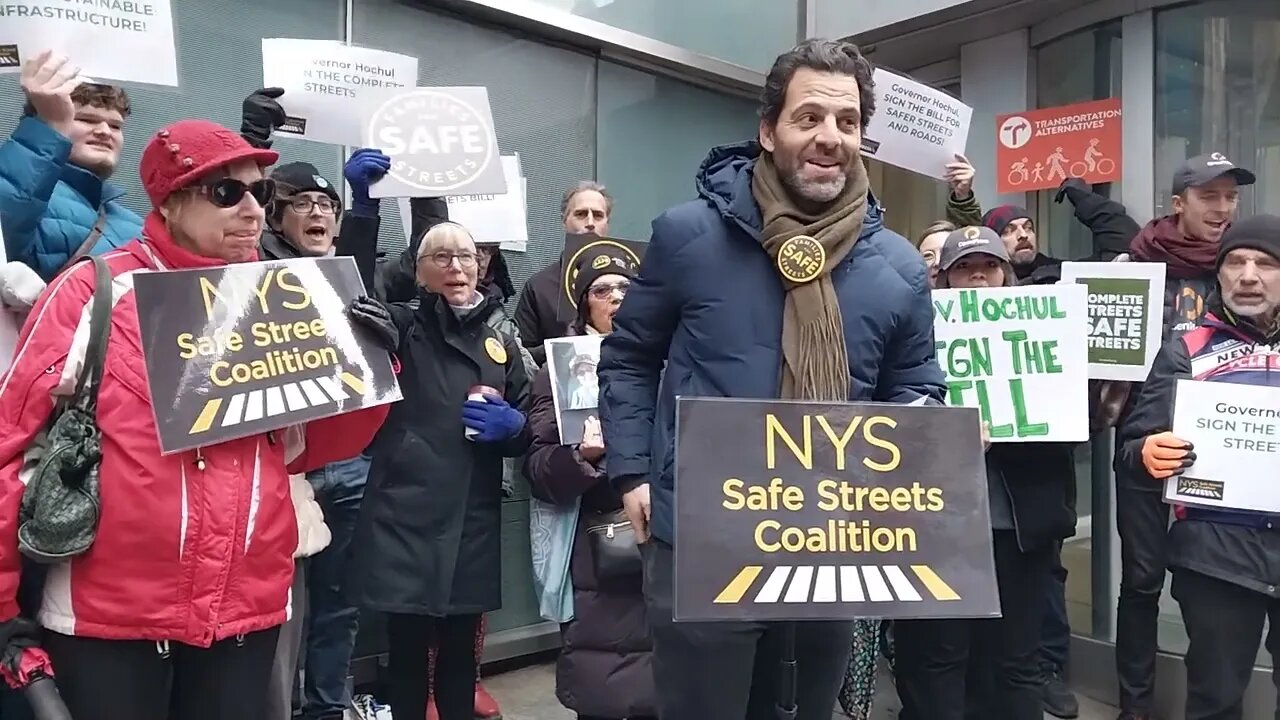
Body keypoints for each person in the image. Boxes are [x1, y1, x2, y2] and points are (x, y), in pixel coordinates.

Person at [598, 39, 945, 720]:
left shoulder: (899, 267)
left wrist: (926, 426)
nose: (829, 138)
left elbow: (918, 382)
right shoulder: (686, 236)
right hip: (702, 537)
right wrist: (633, 471)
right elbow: (630, 357)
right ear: (768, 130)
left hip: (831, 538)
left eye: (847, 123)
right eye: (808, 117)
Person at [0, 118, 389, 719]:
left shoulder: (285, 299)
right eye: (227, 193)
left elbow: (313, 448)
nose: (254, 211)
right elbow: (8, 442)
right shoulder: (94, 291)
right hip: (111, 619)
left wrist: (376, 367)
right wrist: (4, 612)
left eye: (261, 193)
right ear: (171, 200)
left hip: (245, 612)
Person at [346, 222, 531, 720]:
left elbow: (532, 419)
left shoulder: (501, 338)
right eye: (441, 257)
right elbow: (348, 293)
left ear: (481, 266)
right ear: (420, 271)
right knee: (406, 656)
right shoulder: (402, 327)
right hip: (404, 515)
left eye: (467, 257)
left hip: (472, 516)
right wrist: (363, 213)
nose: (456, 267)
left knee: (459, 660)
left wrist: (512, 427)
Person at [893, 227, 1075, 720]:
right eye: (963, 268)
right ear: (944, 280)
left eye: (989, 267)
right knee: (940, 656)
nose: (978, 277)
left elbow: (1074, 427)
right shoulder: (917, 338)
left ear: (1006, 275)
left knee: (1016, 660)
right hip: (938, 527)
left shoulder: (1046, 335)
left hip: (1018, 532)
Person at [1105, 153, 1254, 720]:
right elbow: (1093, 357)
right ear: (1178, 204)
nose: (1223, 209)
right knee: (1142, 582)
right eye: (1209, 197)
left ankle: (1211, 698)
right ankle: (1134, 706)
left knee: (1213, 590)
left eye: (1230, 197)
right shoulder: (1130, 265)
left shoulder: (1246, 269)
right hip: (1143, 449)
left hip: (1222, 453)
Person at [250, 148, 390, 720]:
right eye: (303, 203)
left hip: (350, 467)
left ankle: (328, 710)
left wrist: (388, 349)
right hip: (279, 472)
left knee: (339, 604)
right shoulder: (250, 274)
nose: (318, 213)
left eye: (327, 205)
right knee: (274, 610)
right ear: (276, 216)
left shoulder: (352, 277)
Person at [524, 248, 655, 720]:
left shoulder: (674, 359)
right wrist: (582, 456)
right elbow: (539, 470)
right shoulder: (556, 373)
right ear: (584, 304)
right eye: (603, 290)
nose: (617, 298)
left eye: (626, 288)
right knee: (607, 692)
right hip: (601, 552)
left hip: (668, 537)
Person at [0, 50, 141, 281]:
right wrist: (50, 126)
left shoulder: (137, 226)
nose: (105, 131)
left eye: (116, 126)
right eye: (86, 119)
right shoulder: (27, 199)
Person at [516, 182, 613, 365]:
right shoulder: (539, 287)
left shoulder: (631, 283)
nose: (590, 223)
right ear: (564, 221)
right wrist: (566, 346)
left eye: (598, 215)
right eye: (581, 214)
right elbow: (522, 356)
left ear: (607, 224)